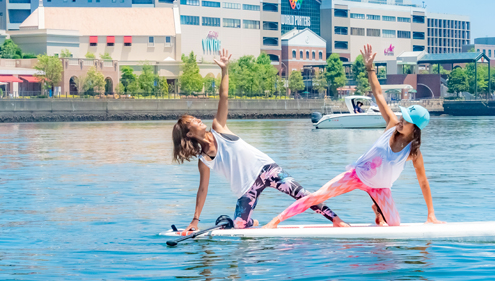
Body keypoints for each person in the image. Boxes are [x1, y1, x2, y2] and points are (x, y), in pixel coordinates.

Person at [264, 44, 444, 229]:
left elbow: (423, 182)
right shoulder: (391, 123)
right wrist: (369, 68)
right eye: (402, 116)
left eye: (406, 120)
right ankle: (275, 221)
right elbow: (379, 94)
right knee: (317, 196)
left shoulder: (413, 152)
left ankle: (377, 208)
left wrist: (431, 214)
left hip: (380, 188)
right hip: (357, 175)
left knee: (395, 225)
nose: (401, 120)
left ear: (415, 129)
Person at [172, 49, 348, 234]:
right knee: (240, 226)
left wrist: (225, 70)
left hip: (266, 169)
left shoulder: (219, 128)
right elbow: (202, 190)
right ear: (189, 134)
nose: (198, 119)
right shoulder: (204, 160)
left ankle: (336, 220)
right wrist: (195, 220)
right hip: (246, 188)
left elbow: (223, 97)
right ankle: (251, 222)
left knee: (301, 194)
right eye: (193, 121)